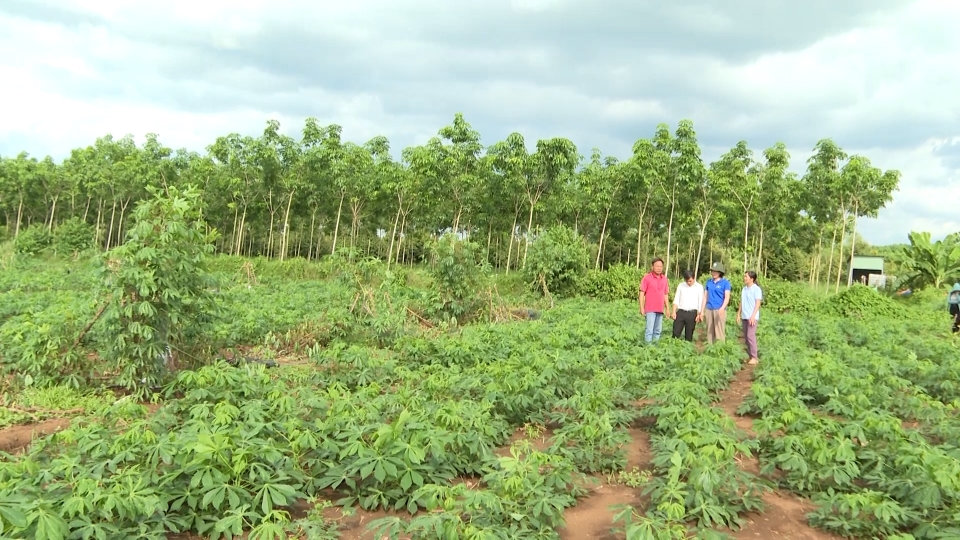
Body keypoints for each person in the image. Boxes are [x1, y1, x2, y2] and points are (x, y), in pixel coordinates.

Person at [638, 257, 670, 343]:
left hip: (660, 309)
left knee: (657, 331)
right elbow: (641, 293)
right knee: (649, 330)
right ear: (652, 267)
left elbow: (665, 294)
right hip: (650, 309)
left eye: (661, 266)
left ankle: (655, 349)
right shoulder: (647, 278)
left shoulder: (664, 279)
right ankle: (648, 349)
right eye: (657, 266)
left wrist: (667, 308)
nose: (659, 268)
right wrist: (641, 307)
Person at [701, 261, 731, 344]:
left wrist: (722, 308)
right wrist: (702, 311)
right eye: (712, 271)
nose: (713, 273)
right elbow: (705, 297)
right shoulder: (709, 282)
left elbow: (727, 297)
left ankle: (719, 350)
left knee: (719, 331)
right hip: (709, 309)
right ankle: (710, 350)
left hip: (719, 310)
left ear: (720, 272)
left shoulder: (725, 283)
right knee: (709, 332)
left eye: (715, 271)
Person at [738, 271, 763, 365]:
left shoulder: (756, 289)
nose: (744, 278)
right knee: (746, 337)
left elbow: (758, 303)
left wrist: (753, 316)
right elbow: (742, 301)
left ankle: (754, 357)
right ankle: (749, 356)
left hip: (752, 317)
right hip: (745, 316)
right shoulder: (744, 289)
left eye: (746, 277)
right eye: (744, 276)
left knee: (750, 336)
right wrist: (738, 313)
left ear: (752, 279)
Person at [672, 270, 704, 341]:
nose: (688, 283)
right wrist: (674, 311)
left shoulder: (699, 287)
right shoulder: (681, 286)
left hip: (692, 313)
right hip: (681, 312)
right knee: (675, 333)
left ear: (694, 278)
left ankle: (687, 348)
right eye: (687, 281)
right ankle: (674, 347)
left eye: (690, 281)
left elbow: (700, 302)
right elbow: (676, 299)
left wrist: (699, 314)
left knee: (689, 335)